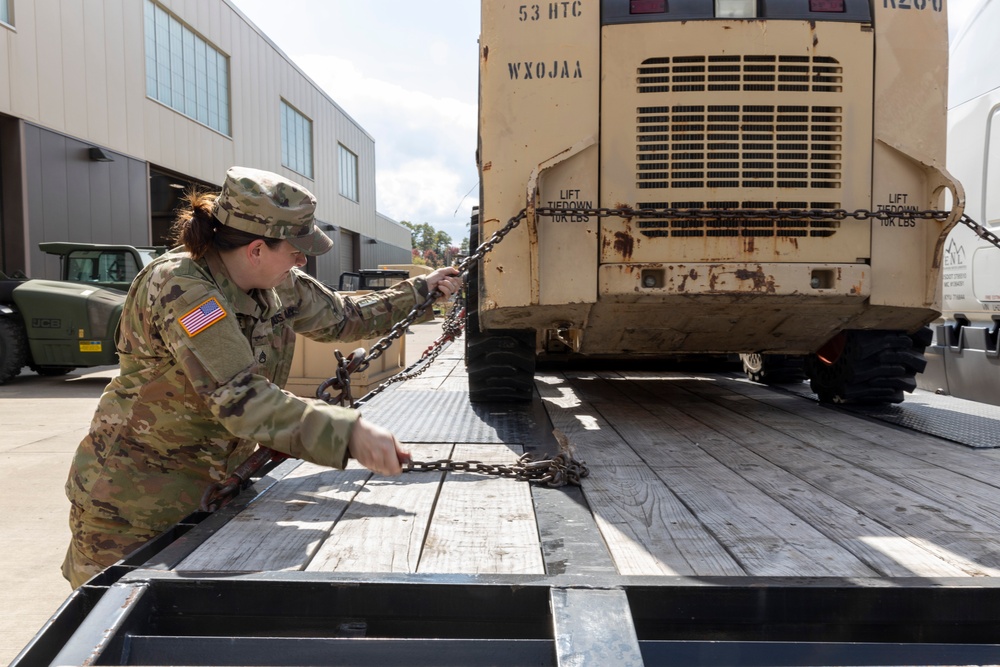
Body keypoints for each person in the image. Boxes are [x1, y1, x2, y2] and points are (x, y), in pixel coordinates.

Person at [62, 166, 462, 588]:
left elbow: (343, 317)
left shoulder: (276, 282)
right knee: (115, 634)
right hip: (134, 508)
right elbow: (242, 398)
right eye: (295, 250)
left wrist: (423, 289)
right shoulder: (182, 286)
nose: (302, 260)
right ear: (256, 249)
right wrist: (350, 434)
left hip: (217, 492)